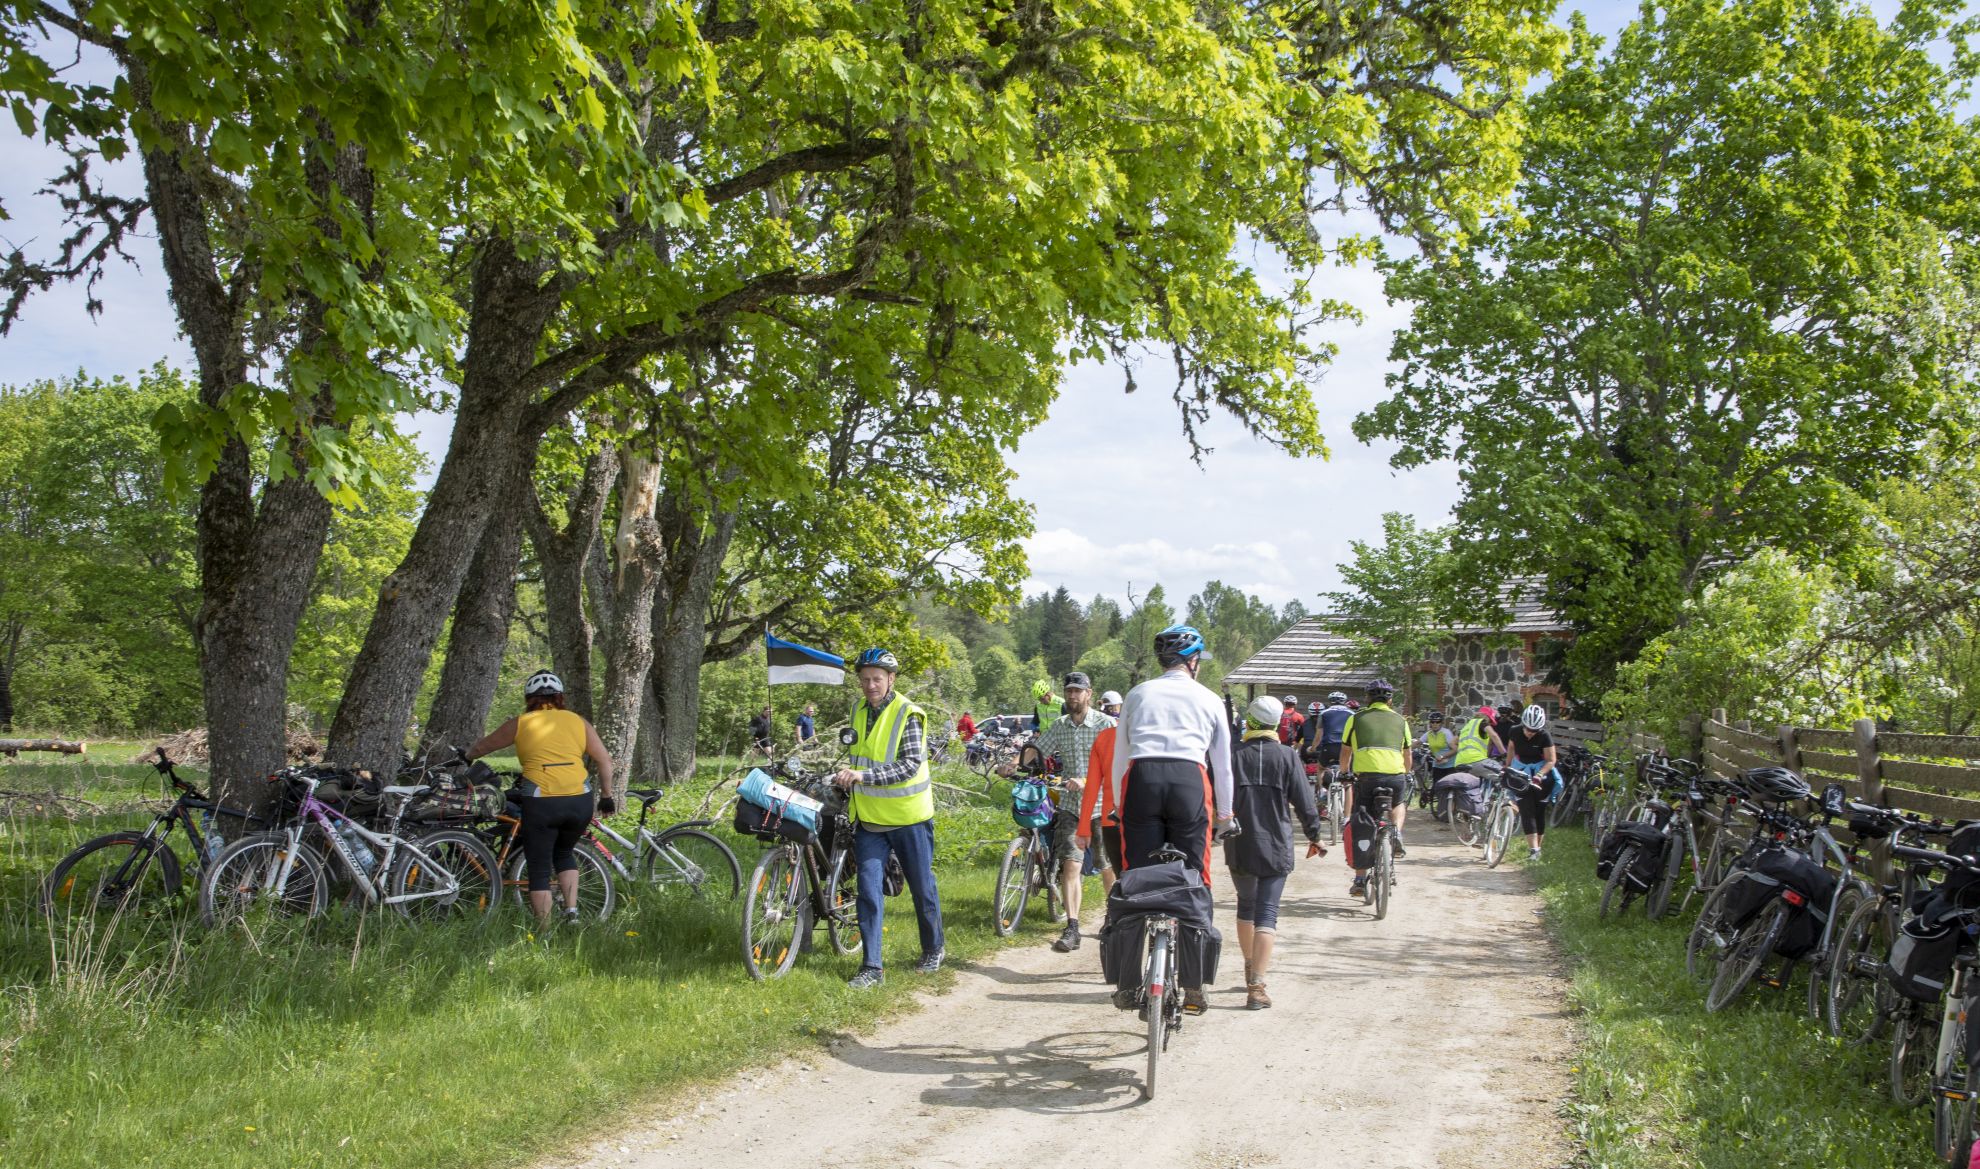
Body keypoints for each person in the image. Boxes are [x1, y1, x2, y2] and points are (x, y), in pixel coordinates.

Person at [1109, 624, 1235, 1014]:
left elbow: (1120, 757)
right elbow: (1223, 766)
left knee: (1135, 881)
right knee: (1195, 877)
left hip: (1142, 780)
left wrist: (1118, 804)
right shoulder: (1210, 698)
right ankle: (1195, 985)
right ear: (1193, 661)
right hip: (1188, 782)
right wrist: (1226, 816)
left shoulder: (1138, 693)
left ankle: (1129, 982)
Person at [466, 670, 616, 925]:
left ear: (529, 698)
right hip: (580, 800)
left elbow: (482, 748)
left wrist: (466, 755)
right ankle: (571, 914)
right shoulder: (578, 722)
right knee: (565, 853)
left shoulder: (521, 722)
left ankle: (544, 932)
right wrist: (607, 796)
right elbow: (604, 761)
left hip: (542, 800)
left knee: (539, 866)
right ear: (560, 697)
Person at [833, 648, 945, 989]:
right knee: (868, 890)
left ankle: (934, 948)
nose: (870, 685)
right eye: (865, 679)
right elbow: (860, 754)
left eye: (877, 679)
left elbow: (910, 764)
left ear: (891, 679)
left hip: (908, 817)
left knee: (921, 887)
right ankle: (872, 967)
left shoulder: (909, 713)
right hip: (869, 819)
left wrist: (863, 777)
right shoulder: (856, 710)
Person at [1227, 695, 1325, 1010]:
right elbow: (1304, 801)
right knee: (1267, 913)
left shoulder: (1233, 755)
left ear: (1250, 722)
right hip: (1276, 843)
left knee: (1246, 906)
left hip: (1239, 842)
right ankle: (1256, 987)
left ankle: (1248, 965)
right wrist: (1315, 835)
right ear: (1275, 724)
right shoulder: (1287, 756)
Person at [1035, 671, 1115, 952]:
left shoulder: (1106, 725)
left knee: (1107, 866)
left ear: (1089, 694)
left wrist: (1086, 780)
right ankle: (1072, 927)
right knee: (1071, 864)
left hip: (1102, 806)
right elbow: (1038, 749)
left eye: (1077, 691)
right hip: (1071, 807)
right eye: (1068, 691)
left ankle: (1113, 919)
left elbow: (1116, 767)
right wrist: (1013, 763)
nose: (1072, 696)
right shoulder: (1059, 726)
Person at [1340, 680, 1412, 899]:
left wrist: (1345, 772)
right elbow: (1408, 754)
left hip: (1367, 778)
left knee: (1362, 822)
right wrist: (1406, 773)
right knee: (1398, 803)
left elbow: (1345, 751)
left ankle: (1360, 879)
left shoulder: (1355, 718)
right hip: (1395, 776)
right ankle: (1396, 832)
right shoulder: (1401, 720)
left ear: (1367, 698)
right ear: (1390, 700)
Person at [1505, 705, 1559, 860]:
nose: (1530, 732)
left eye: (1534, 730)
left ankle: (1538, 848)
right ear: (1523, 724)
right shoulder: (1514, 731)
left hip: (1541, 774)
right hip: (1521, 773)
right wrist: (1507, 766)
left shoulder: (1544, 736)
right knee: (1526, 810)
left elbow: (1551, 760)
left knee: (1538, 811)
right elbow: (1511, 748)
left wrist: (1540, 774)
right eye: (1528, 729)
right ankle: (1534, 850)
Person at [1452, 705, 1506, 769]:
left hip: (1460, 762)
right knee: (1502, 773)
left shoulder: (1467, 726)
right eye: (1490, 721)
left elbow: (1452, 743)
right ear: (1487, 717)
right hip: (1475, 760)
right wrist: (1504, 755)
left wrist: (1463, 753)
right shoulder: (1482, 722)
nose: (1490, 723)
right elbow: (1494, 736)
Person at [1312, 691, 1354, 771]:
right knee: (1348, 769)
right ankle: (1347, 783)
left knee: (1321, 769)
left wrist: (1313, 748)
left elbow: (1318, 736)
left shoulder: (1324, 713)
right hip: (1346, 747)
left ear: (1330, 701)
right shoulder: (1351, 713)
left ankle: (1320, 784)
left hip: (1329, 746)